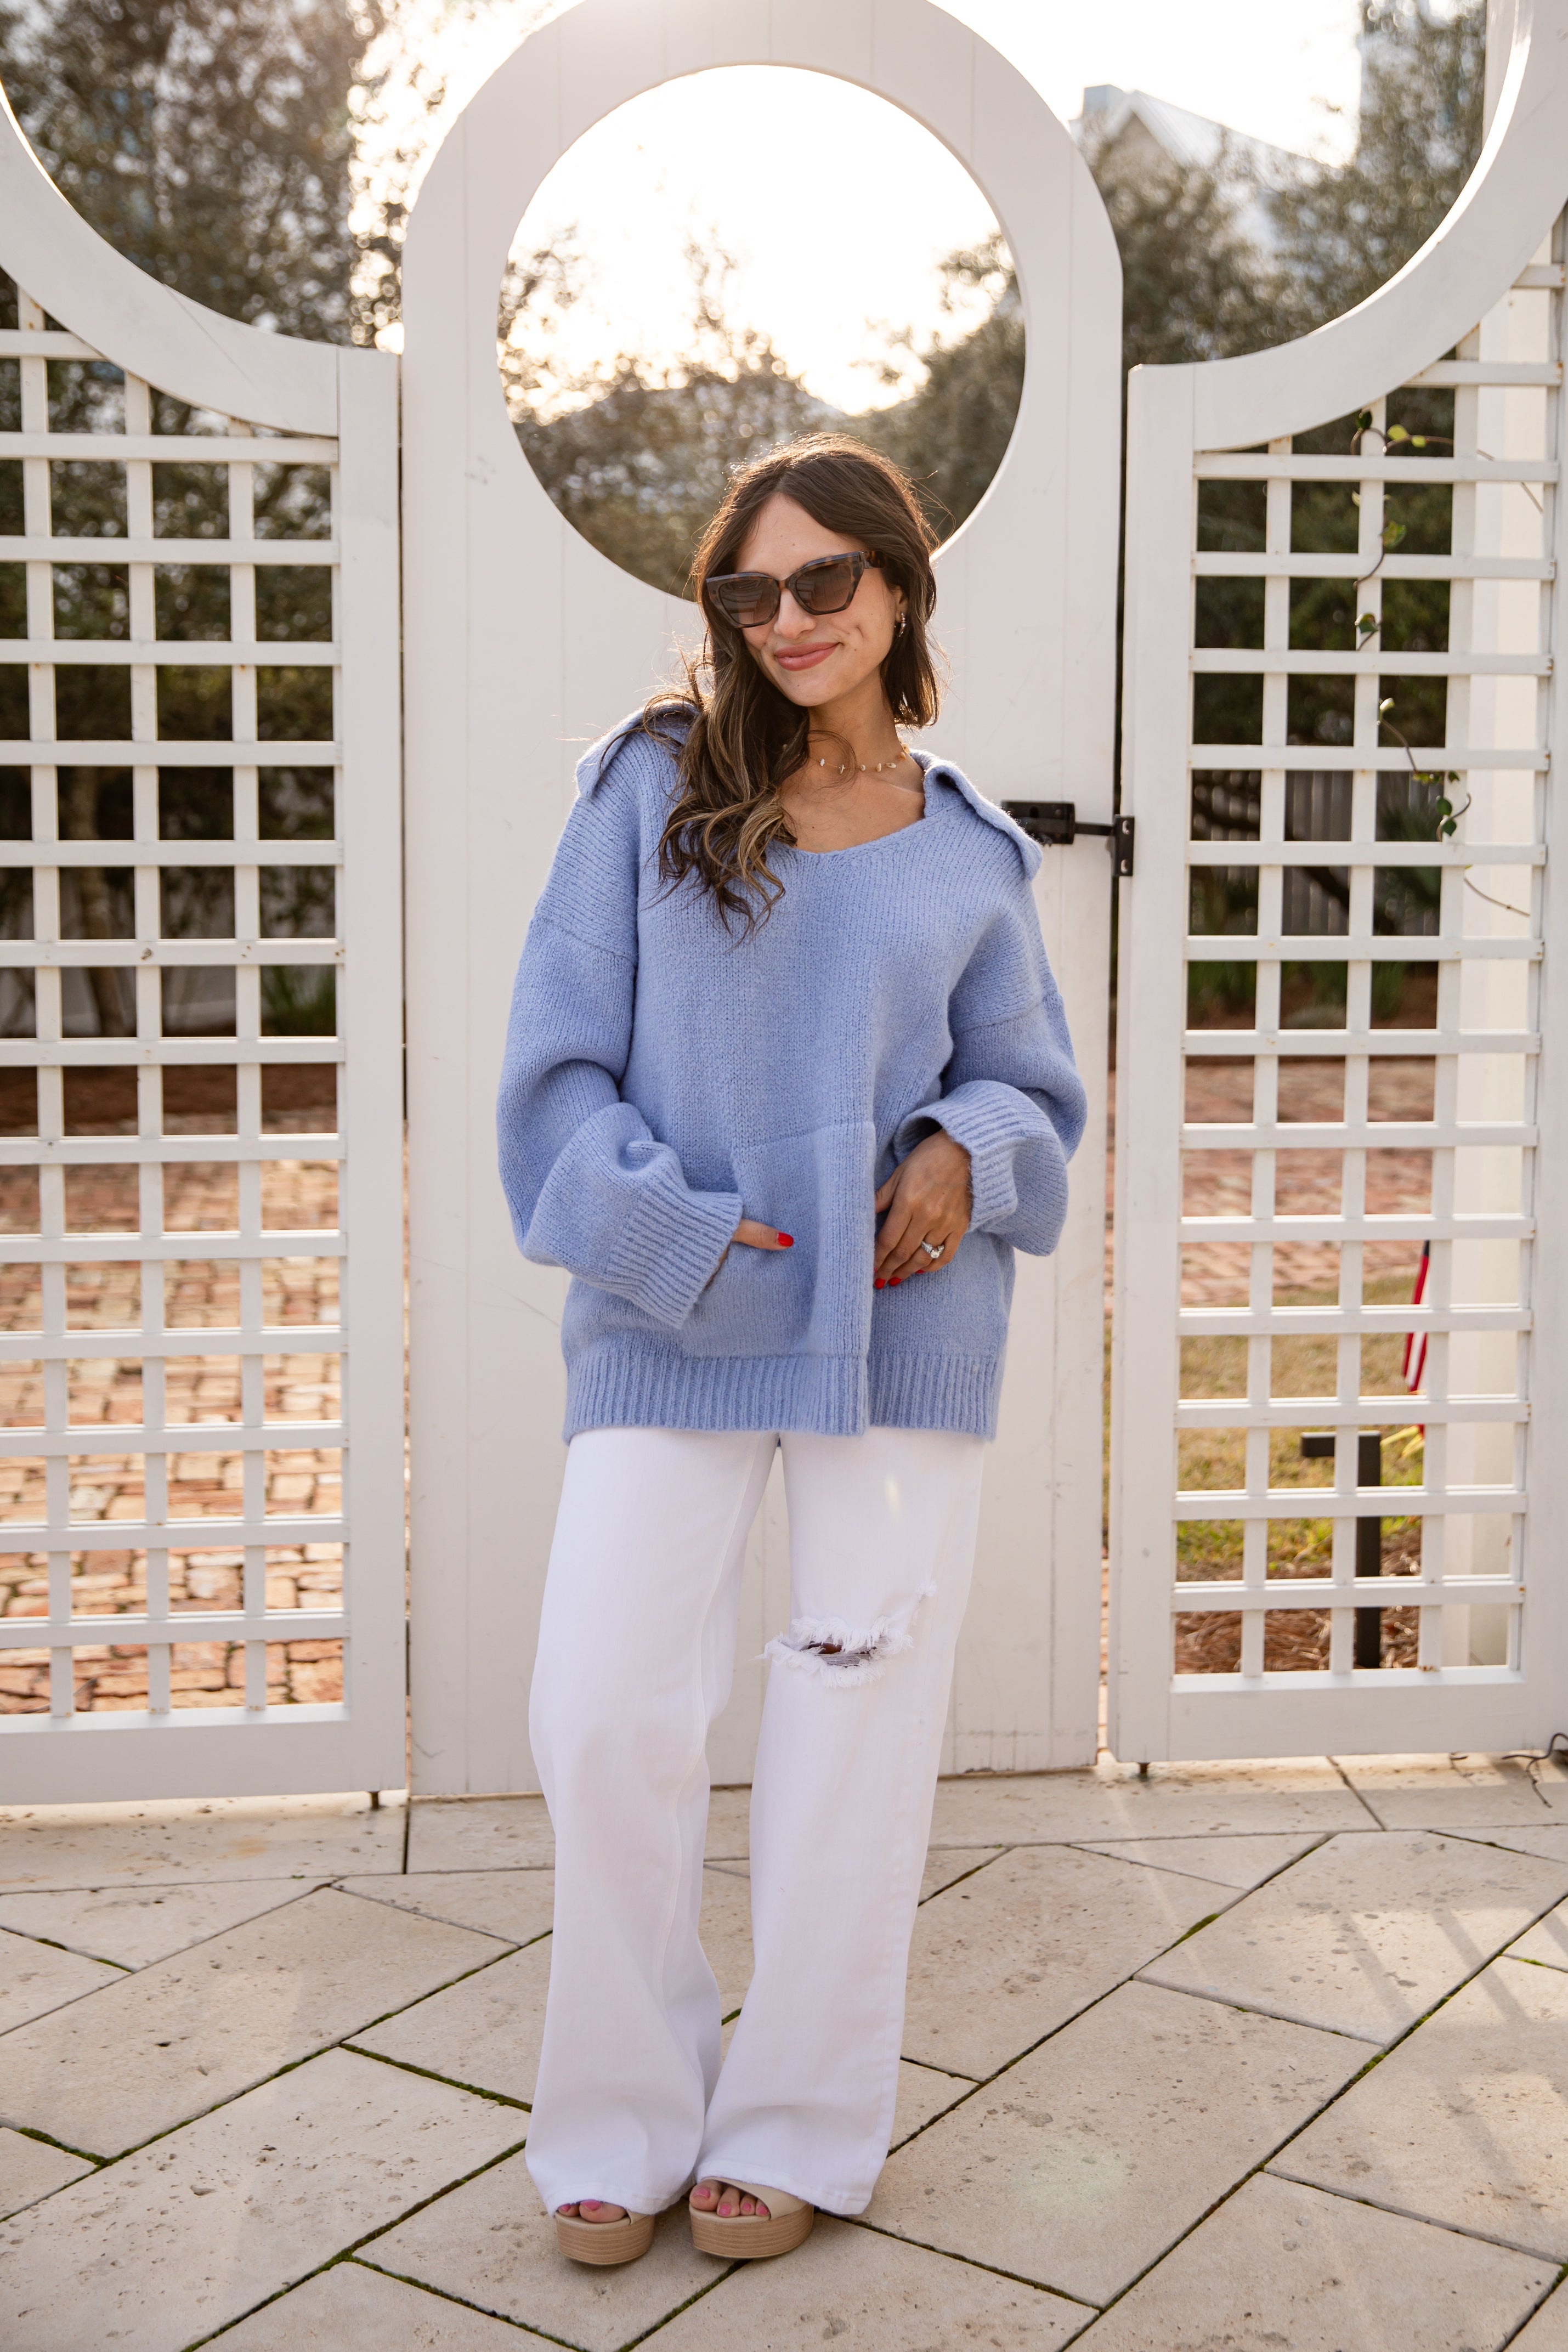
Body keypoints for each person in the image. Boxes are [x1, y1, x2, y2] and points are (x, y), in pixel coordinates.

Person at [497, 432, 1086, 2268]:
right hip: (673, 1322)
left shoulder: (969, 843)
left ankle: (802, 2127)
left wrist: (961, 1154)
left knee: (852, 1724)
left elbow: (1034, 1090)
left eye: (822, 580)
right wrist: (667, 1234)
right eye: (746, 592)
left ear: (896, 585)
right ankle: (616, 2116)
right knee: (601, 1711)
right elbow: (550, 1080)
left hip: (901, 1339)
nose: (785, 620)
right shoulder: (646, 791)